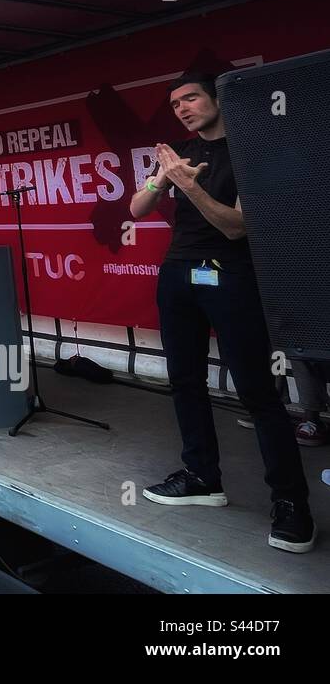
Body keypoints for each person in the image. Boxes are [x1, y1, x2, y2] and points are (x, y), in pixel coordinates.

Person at [130, 73, 315, 553]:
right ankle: (201, 477)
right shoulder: (177, 152)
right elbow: (135, 208)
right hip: (177, 273)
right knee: (184, 381)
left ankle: (292, 504)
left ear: (216, 99)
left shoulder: (253, 151)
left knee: (258, 394)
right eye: (174, 104)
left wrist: (189, 188)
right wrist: (162, 179)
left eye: (191, 98)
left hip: (231, 275)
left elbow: (236, 227)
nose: (183, 108)